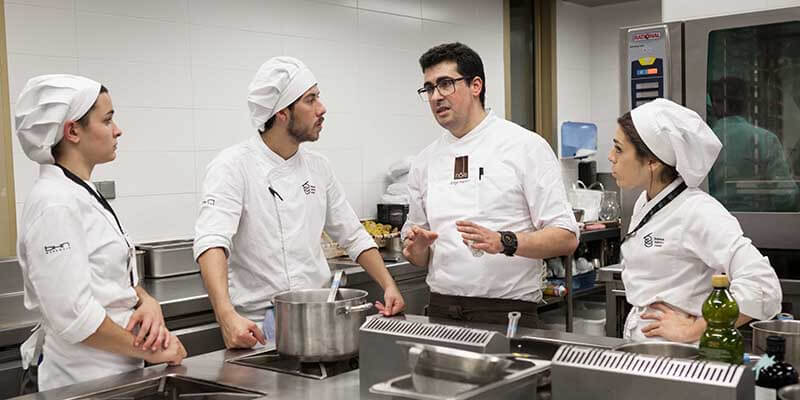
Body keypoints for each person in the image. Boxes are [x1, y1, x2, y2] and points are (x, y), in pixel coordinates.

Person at [194, 57, 405, 349]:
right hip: (258, 324)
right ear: (282, 112)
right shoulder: (232, 166)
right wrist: (226, 316)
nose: (322, 108)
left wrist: (389, 284)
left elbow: (352, 234)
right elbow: (212, 243)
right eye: (311, 99)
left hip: (320, 315)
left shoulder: (319, 167)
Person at [14, 75, 186, 391]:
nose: (117, 130)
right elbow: (74, 316)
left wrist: (146, 301)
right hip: (81, 384)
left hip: (114, 378)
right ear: (73, 131)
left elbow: (108, 278)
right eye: (107, 120)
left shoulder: (79, 191)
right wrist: (154, 350)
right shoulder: (54, 204)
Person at [402, 43, 579, 328]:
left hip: (507, 312)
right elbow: (419, 255)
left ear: (476, 85)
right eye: (429, 88)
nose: (436, 97)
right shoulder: (425, 161)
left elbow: (566, 237)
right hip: (441, 309)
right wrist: (416, 248)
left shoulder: (524, 146)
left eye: (446, 84)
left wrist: (505, 242)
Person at [608, 98, 782, 343]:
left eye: (619, 149)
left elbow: (763, 286)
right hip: (647, 352)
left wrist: (694, 329)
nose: (610, 157)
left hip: (682, 359)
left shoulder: (698, 211)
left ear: (652, 161)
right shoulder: (646, 201)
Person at [708, 77, 798, 212]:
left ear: (715, 103)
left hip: (711, 220)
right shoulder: (766, 139)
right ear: (747, 103)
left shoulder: (703, 140)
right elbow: (785, 197)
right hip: (761, 222)